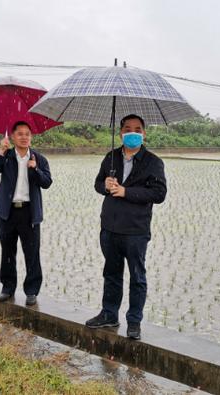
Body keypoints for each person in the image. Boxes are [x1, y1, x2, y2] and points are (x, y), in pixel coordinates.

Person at [85, 114, 167, 341]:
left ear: (144, 133)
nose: (133, 133)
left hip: (135, 230)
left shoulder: (153, 162)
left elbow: (159, 194)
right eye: (128, 129)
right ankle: (109, 314)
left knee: (137, 277)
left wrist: (126, 192)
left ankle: (134, 322)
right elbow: (97, 183)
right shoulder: (111, 157)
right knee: (111, 274)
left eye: (137, 129)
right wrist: (106, 185)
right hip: (110, 226)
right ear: (120, 133)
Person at [0, 121, 52, 306]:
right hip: (7, 212)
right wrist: (0, 152)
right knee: (8, 252)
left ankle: (31, 291)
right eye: (20, 134)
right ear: (12, 137)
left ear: (31, 137)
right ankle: (7, 287)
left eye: (27, 134)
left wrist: (35, 169)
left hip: (29, 213)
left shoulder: (39, 158)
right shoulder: (5, 157)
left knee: (32, 253)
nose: (24, 137)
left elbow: (47, 182)